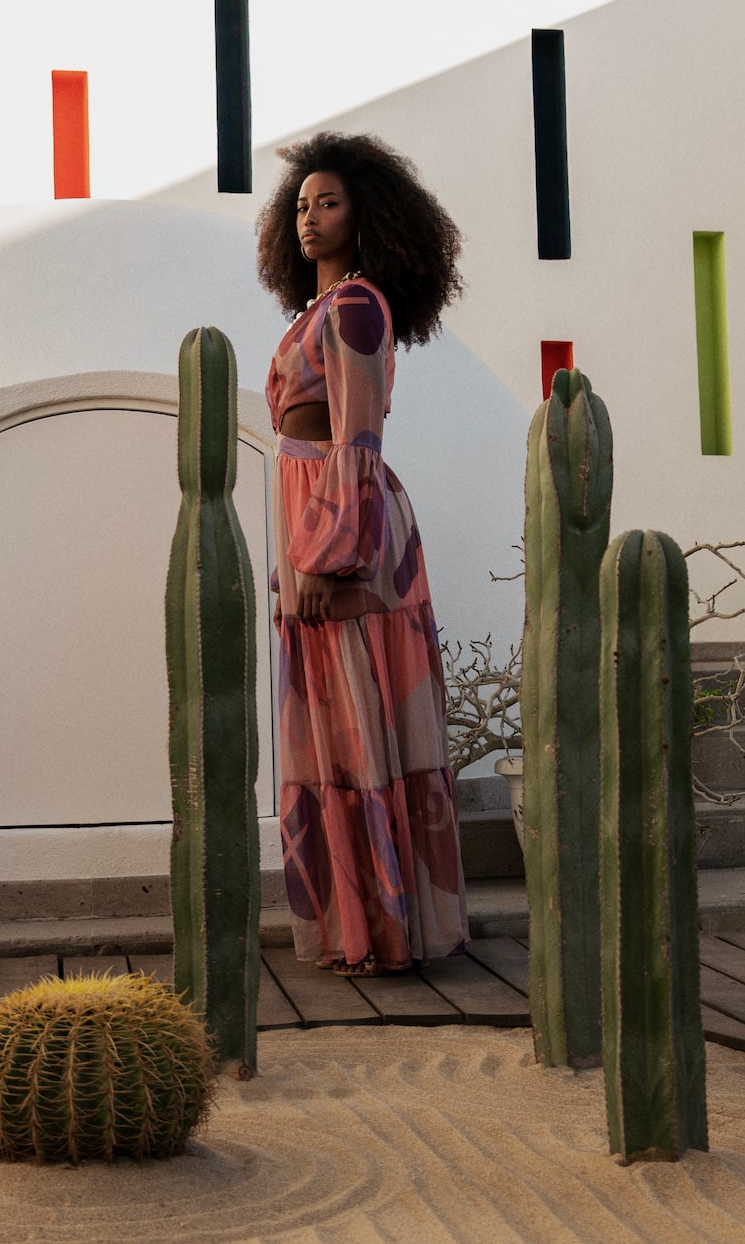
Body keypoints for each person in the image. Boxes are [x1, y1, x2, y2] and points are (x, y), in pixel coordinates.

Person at [255, 131, 468, 976]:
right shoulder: (319, 308)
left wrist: (323, 554)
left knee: (358, 728)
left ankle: (387, 930)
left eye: (329, 203)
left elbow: (357, 436)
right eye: (302, 206)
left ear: (365, 214)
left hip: (347, 528)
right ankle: (358, 925)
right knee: (333, 737)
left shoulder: (355, 306)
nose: (311, 218)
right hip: (311, 512)